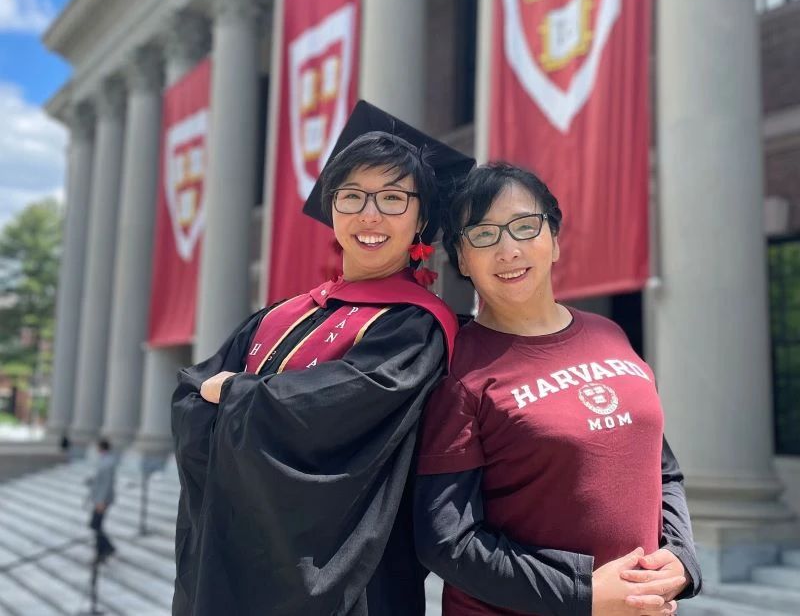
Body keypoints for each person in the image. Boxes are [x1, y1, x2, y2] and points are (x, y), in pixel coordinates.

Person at [171, 101, 473, 616]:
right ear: (332, 210)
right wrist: (239, 404)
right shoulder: (278, 315)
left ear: (421, 218)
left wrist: (236, 393)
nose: (370, 215)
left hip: (351, 581)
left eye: (393, 198)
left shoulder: (417, 326)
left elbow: (338, 413)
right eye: (352, 196)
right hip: (231, 557)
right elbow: (188, 397)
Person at [414, 162, 702, 615]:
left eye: (525, 226)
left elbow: (662, 472)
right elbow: (447, 540)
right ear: (462, 259)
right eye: (484, 234)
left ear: (554, 240)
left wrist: (681, 559)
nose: (508, 249)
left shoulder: (610, 335)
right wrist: (582, 594)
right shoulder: (458, 369)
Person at [87, 438, 116, 564]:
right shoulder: (103, 460)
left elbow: (107, 484)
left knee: (95, 524)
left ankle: (104, 550)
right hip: (99, 499)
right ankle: (106, 549)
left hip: (102, 500)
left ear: (101, 447)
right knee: (96, 525)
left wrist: (102, 501)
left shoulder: (108, 462)